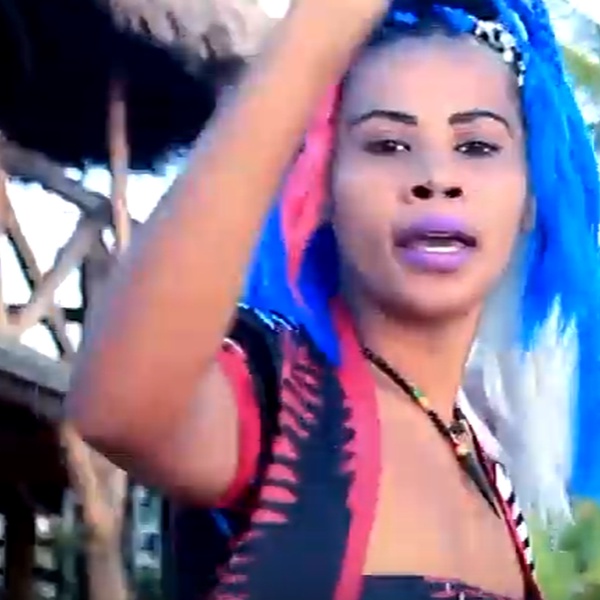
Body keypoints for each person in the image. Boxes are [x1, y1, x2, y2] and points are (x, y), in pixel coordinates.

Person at [66, 0, 600, 598]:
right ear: (319, 190)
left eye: (476, 146)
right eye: (387, 144)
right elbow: (117, 410)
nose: (435, 178)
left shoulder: (490, 474)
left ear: (530, 199)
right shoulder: (272, 403)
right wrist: (314, 36)